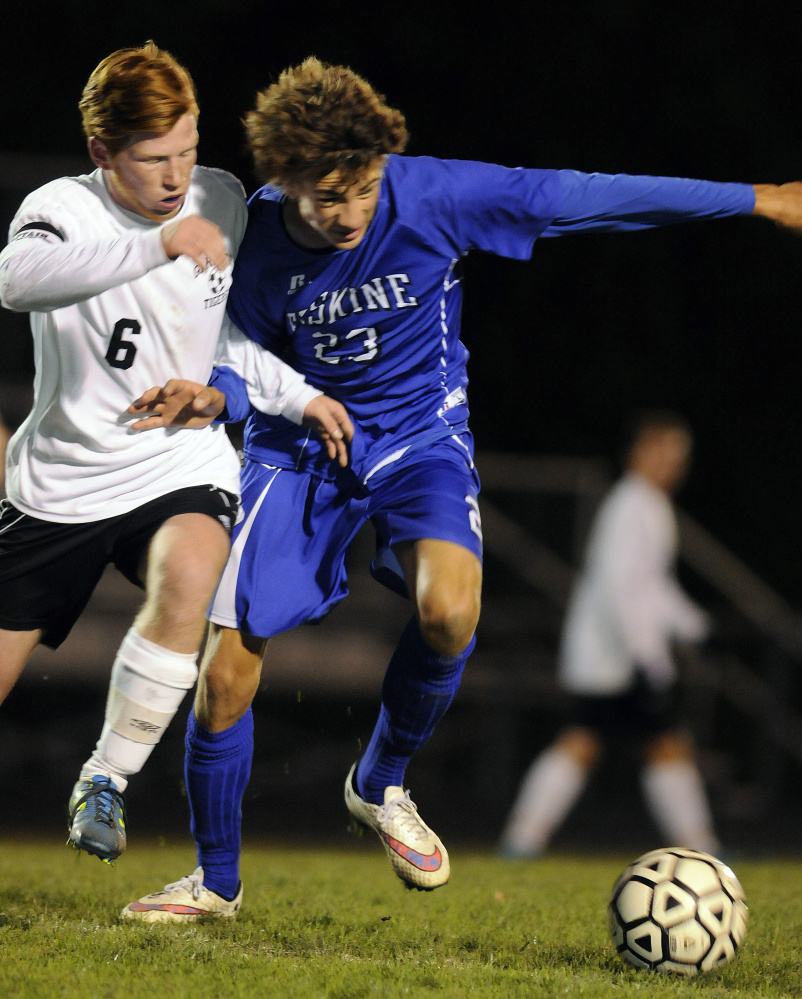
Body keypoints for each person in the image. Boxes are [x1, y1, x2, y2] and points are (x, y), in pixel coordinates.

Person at [121, 57, 802, 921]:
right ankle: (216, 882)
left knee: (450, 611)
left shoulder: (437, 194)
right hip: (297, 447)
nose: (349, 214)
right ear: (285, 178)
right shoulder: (247, 240)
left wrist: (758, 197)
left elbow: (585, 195)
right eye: (326, 196)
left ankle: (381, 780)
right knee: (225, 674)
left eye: (363, 189)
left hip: (417, 436)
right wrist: (227, 395)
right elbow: (229, 354)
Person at [0, 43, 351, 867]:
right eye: (152, 158)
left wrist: (290, 395)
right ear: (101, 153)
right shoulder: (61, 207)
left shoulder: (219, 199)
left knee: (197, 561)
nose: (174, 176)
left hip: (177, 462)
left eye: (187, 151)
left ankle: (106, 779)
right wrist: (153, 246)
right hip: (62, 480)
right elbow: (18, 278)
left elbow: (231, 331)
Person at [498, 412, 719, 858]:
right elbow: (622, 589)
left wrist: (693, 625)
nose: (671, 463)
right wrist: (649, 658)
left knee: (599, 740)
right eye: (662, 451)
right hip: (614, 656)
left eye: (679, 456)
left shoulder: (647, 505)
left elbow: (653, 586)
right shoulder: (633, 505)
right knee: (650, 741)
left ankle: (521, 842)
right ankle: (704, 852)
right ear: (637, 452)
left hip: (613, 656)